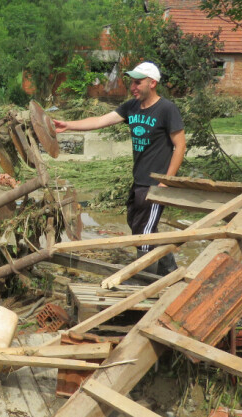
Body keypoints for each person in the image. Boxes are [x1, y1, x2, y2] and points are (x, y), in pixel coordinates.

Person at [53, 61, 186, 275]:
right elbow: (100, 120)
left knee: (145, 234)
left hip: (155, 184)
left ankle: (146, 280)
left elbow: (180, 146)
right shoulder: (131, 107)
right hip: (139, 181)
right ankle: (170, 271)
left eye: (137, 82)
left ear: (152, 83)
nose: (132, 87)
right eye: (131, 82)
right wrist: (68, 125)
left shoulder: (167, 109)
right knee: (136, 225)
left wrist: (166, 182)